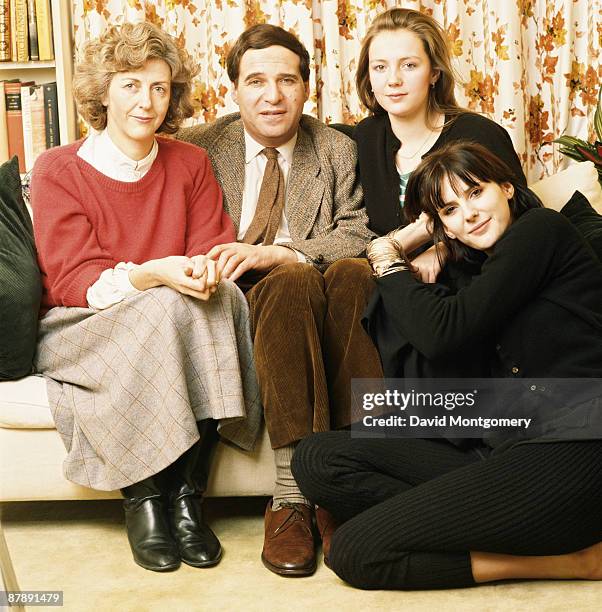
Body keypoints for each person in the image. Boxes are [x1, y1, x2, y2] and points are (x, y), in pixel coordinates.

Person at [292, 141, 602, 590]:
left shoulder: (542, 231)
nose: (469, 215)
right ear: (443, 228)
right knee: (318, 457)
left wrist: (386, 255)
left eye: (476, 193)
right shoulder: (472, 269)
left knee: (356, 551)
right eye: (450, 211)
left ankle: (577, 561)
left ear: (507, 188)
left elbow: (442, 333)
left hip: (579, 444)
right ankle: (473, 520)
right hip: (506, 447)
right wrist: (428, 247)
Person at [31, 22, 262, 573]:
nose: (147, 101)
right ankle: (145, 500)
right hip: (81, 323)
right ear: (103, 92)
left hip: (177, 312)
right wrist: (153, 274)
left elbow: (211, 246)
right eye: (131, 85)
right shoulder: (58, 168)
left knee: (222, 298)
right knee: (166, 307)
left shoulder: (189, 163)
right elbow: (72, 282)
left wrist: (204, 271)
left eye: (159, 88)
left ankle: (187, 496)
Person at [177, 23, 374, 577]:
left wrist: (281, 252)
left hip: (311, 288)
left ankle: (343, 487)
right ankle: (294, 496)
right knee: (291, 284)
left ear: (306, 88)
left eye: (286, 80)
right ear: (234, 89)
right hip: (231, 302)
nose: (273, 95)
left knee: (352, 276)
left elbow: (356, 232)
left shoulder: (334, 147)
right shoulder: (197, 147)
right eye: (256, 81)